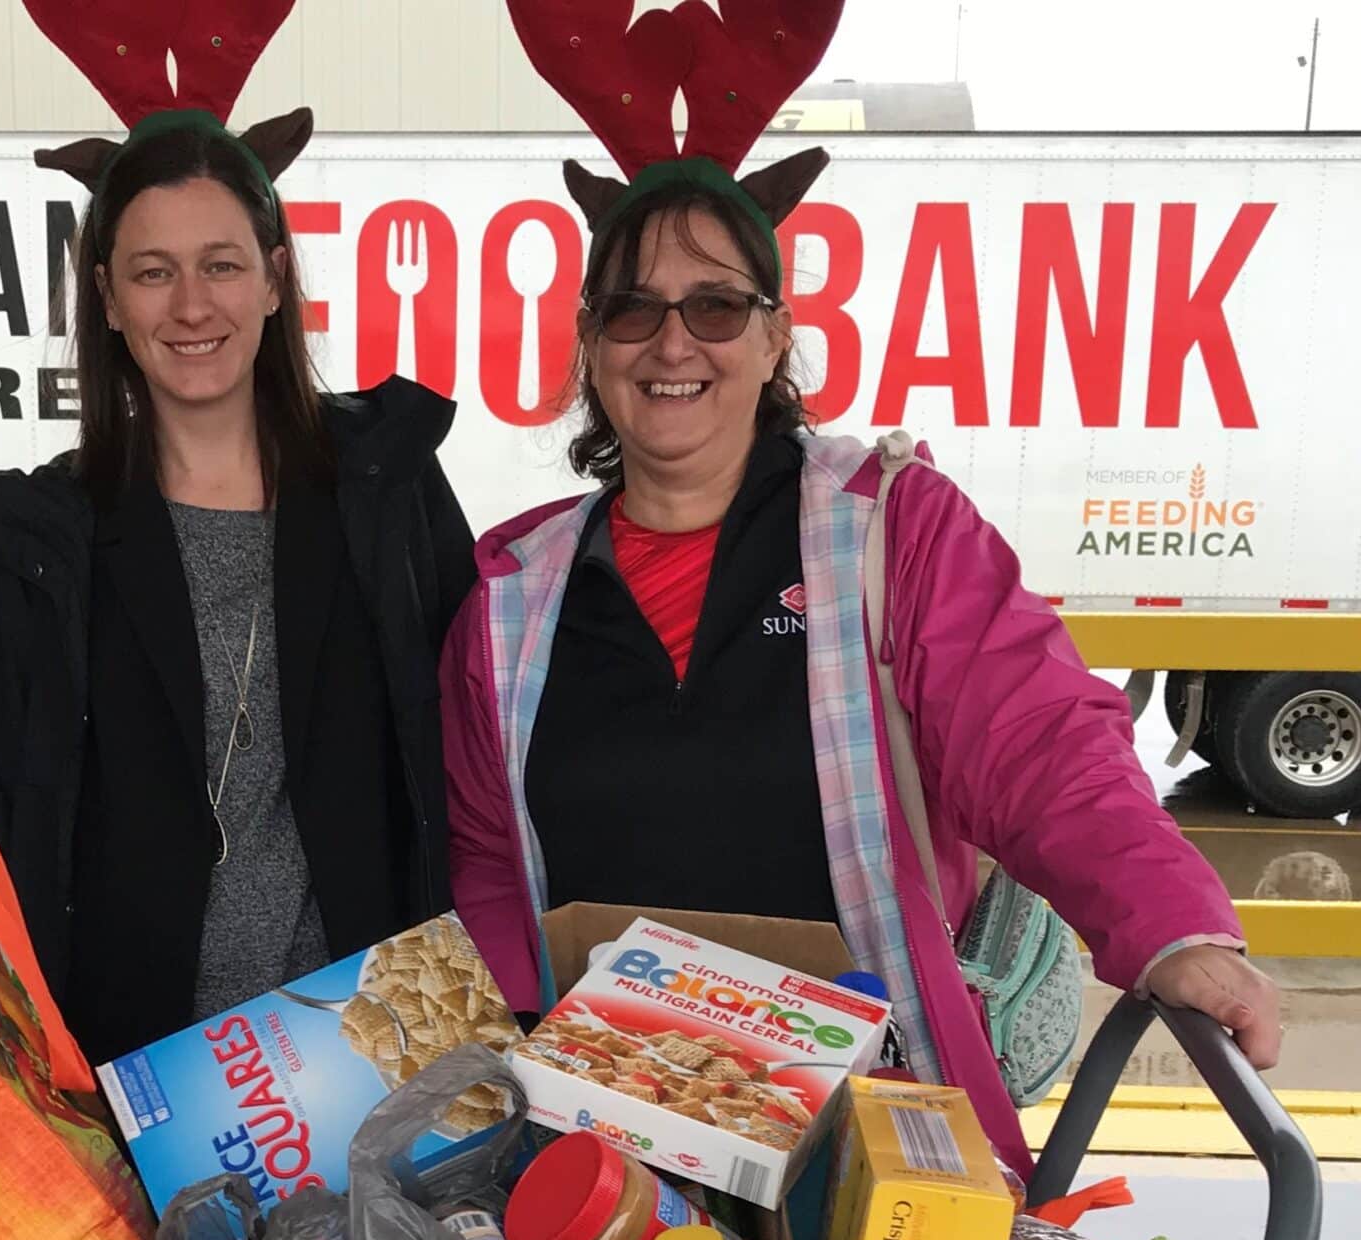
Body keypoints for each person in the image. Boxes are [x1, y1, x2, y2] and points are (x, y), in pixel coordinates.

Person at [444, 0, 1280, 1172]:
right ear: (589, 342)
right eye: (633, 308)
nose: (671, 342)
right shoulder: (511, 597)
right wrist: (497, 1101)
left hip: (861, 1135)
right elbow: (488, 862)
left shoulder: (888, 535)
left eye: (717, 306)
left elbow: (1037, 739)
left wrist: (1168, 929)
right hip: (602, 1133)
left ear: (776, 336)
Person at [0, 36, 475, 1065]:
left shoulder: (387, 486)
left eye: (221, 265)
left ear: (275, 279)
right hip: (136, 1076)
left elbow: (469, 764)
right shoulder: (42, 538)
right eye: (153, 273)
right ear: (107, 300)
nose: (191, 306)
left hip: (377, 1052)